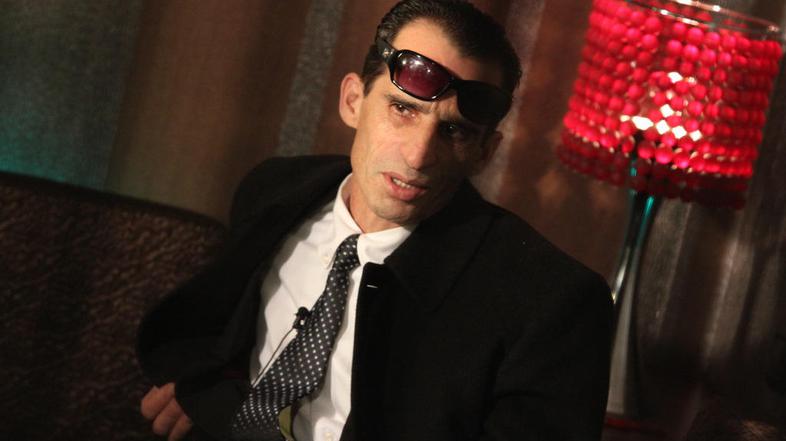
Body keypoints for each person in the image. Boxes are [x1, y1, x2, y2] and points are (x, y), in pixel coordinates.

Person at [137, 1, 613, 440]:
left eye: (454, 131)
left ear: (485, 152)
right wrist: (206, 393)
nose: (418, 155)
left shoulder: (549, 303)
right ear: (353, 101)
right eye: (403, 109)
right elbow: (216, 326)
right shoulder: (275, 191)